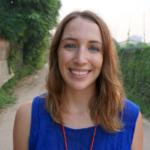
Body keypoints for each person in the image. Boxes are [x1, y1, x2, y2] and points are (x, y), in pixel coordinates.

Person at [13, 11, 143, 150]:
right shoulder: (28, 116)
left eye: (93, 48)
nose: (80, 60)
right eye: (70, 45)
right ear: (56, 53)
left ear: (104, 59)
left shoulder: (130, 116)